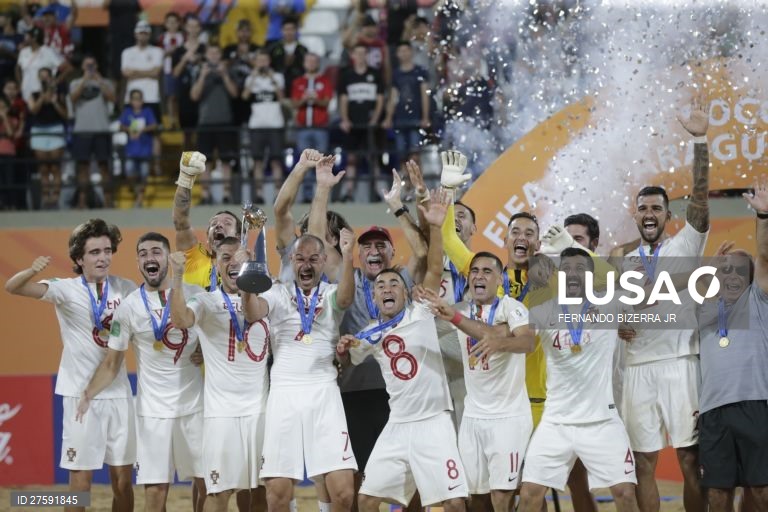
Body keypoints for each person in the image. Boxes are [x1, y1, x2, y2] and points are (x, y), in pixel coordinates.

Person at [335, 189, 468, 512]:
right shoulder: (367, 333)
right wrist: (342, 350)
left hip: (434, 421)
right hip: (397, 424)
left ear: (406, 292)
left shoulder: (419, 311)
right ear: (375, 299)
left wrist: (436, 226)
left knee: (453, 502)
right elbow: (346, 361)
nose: (386, 289)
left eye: (394, 284)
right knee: (366, 499)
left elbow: (434, 266)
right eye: (380, 286)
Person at [4, 219, 137, 512]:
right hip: (79, 397)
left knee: (123, 482)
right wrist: (33, 271)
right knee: (80, 485)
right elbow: (12, 287)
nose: (103, 257)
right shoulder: (64, 289)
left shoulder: (126, 288)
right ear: (79, 258)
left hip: (118, 394)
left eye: (107, 250)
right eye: (94, 252)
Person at [618, 99, 711, 512]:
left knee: (692, 460)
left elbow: (703, 198)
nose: (650, 213)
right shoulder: (620, 256)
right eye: (643, 208)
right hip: (636, 369)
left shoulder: (685, 244)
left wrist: (701, 141)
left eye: (657, 207)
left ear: (669, 214)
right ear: (635, 215)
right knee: (644, 464)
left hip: (680, 363)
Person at [76, 232, 206, 512]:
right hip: (152, 413)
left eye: (157, 252)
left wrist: (205, 352)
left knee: (205, 484)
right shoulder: (128, 307)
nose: (150, 257)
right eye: (144, 253)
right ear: (137, 262)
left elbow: (219, 335)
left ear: (168, 257)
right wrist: (88, 394)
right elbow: (112, 363)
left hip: (195, 407)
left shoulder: (196, 294)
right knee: (155, 493)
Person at [518, 248, 640, 512]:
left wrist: (629, 324)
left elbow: (642, 313)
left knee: (625, 493)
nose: (573, 274)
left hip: (602, 421)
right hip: (556, 421)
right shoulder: (542, 311)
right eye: (567, 269)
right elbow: (520, 337)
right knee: (529, 494)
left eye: (580, 268)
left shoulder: (611, 302)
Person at [245, 231, 358, 512]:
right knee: (277, 494)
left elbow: (345, 299)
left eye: (313, 259)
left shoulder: (331, 293)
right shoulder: (277, 292)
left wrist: (347, 255)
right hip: (284, 394)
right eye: (299, 258)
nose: (306, 265)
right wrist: (247, 286)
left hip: (324, 393)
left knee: (343, 493)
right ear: (291, 261)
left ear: (323, 261)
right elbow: (252, 313)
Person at [424, 251, 535, 512]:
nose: (479, 276)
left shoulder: (513, 308)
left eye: (487, 271)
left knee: (502, 495)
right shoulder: (461, 311)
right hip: (473, 417)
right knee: (474, 496)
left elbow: (527, 342)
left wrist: (501, 341)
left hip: (508, 417)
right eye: (474, 271)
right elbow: (430, 327)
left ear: (499, 279)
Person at [170, 237, 270, 511]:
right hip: (221, 415)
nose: (234, 264)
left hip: (261, 413)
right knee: (219, 492)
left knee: (260, 494)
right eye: (226, 258)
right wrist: (177, 278)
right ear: (215, 263)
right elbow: (181, 320)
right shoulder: (204, 300)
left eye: (240, 259)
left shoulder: (269, 300)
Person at [695, 179, 768, 512]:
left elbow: (764, 256)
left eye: (739, 270)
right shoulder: (703, 309)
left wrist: (764, 216)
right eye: (725, 270)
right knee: (717, 495)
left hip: (755, 405)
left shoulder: (758, 301)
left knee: (761, 490)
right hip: (713, 412)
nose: (732, 275)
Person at [171, 151, 241, 291]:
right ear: (207, 238)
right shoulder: (194, 258)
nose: (219, 225)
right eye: (213, 224)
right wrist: (185, 178)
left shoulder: (248, 265)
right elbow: (181, 222)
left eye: (227, 223)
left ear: (239, 237)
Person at [190, 44, 239, 204]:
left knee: (226, 161)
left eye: (216, 52)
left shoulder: (229, 71)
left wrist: (224, 75)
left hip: (225, 121)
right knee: (206, 162)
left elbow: (234, 93)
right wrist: (203, 76)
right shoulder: (199, 71)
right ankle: (206, 195)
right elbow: (194, 96)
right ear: (206, 55)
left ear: (220, 56)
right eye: (210, 52)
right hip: (205, 122)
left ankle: (226, 194)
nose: (213, 55)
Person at [337, 44, 384, 202]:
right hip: (353, 125)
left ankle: (377, 191)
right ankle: (349, 192)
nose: (360, 56)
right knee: (351, 158)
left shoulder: (375, 74)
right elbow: (343, 99)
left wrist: (375, 119)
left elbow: (380, 99)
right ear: (353, 55)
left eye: (364, 53)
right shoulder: (347, 75)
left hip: (370, 126)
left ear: (367, 55)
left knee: (373, 158)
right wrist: (345, 119)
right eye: (358, 53)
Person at [70, 55, 115, 209]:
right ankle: (82, 201)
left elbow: (112, 98)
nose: (90, 68)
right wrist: (85, 80)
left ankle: (108, 201)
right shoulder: (75, 83)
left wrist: (98, 80)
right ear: (82, 67)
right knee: (83, 168)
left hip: (101, 129)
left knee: (104, 167)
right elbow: (73, 98)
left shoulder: (105, 82)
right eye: (87, 65)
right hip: (82, 131)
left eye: (92, 65)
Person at [242, 49, 285, 203]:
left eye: (265, 60)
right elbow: (245, 96)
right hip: (256, 125)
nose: (262, 63)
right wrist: (253, 76)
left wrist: (272, 78)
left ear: (269, 62)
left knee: (276, 161)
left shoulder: (278, 77)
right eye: (259, 60)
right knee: (258, 161)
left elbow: (281, 98)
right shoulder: (250, 79)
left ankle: (278, 193)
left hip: (275, 124)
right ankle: (259, 193)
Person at [290, 53, 332, 202]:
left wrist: (315, 99)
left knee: (322, 163)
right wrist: (304, 99)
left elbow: (326, 102)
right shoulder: (298, 82)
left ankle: (321, 194)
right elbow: (294, 104)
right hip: (303, 128)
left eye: (314, 61)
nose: (311, 63)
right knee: (305, 163)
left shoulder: (324, 81)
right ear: (304, 63)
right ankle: (308, 195)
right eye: (309, 61)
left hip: (320, 128)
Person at [381, 42, 429, 169]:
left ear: (411, 52)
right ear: (397, 54)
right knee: (401, 155)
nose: (404, 53)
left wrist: (425, 117)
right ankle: (405, 183)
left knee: (415, 154)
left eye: (406, 50)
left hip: (416, 118)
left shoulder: (420, 71)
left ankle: (418, 184)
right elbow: (393, 97)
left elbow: (424, 95)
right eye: (401, 51)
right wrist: (389, 118)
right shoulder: (396, 74)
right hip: (400, 118)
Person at [28, 66, 67, 209]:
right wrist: (42, 98)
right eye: (42, 76)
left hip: (55, 128)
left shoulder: (60, 93)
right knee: (43, 167)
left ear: (51, 78)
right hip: (39, 130)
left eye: (47, 76)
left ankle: (55, 198)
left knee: (55, 167)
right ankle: (46, 197)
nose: (44, 78)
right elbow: (33, 111)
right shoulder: (34, 94)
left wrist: (55, 101)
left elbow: (66, 115)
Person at [119, 89, 158, 208]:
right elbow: (121, 126)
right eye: (134, 99)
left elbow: (154, 125)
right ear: (130, 101)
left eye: (139, 99)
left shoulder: (147, 111)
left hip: (145, 149)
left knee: (144, 174)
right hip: (131, 150)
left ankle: (139, 199)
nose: (137, 101)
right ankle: (137, 193)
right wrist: (129, 130)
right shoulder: (127, 112)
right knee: (129, 172)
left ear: (142, 100)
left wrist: (142, 130)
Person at [172, 14, 206, 147]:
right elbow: (175, 73)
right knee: (187, 136)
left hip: (202, 96)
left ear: (199, 28)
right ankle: (188, 168)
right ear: (185, 28)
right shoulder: (179, 51)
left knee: (202, 135)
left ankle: (202, 167)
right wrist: (185, 59)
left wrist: (199, 60)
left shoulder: (204, 49)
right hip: (185, 97)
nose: (193, 29)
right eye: (190, 26)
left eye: (195, 26)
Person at [16, 26, 62, 103]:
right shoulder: (23, 52)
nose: (25, 38)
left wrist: (56, 81)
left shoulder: (48, 51)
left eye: (27, 36)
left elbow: (67, 67)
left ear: (34, 38)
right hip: (26, 92)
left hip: (43, 93)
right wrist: (20, 83)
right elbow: (17, 68)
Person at [267, 17, 307, 95]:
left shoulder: (303, 49)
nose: (289, 32)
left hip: (297, 85)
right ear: (281, 31)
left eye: (291, 29)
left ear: (296, 31)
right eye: (286, 29)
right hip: (277, 87)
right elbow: (269, 66)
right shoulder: (273, 48)